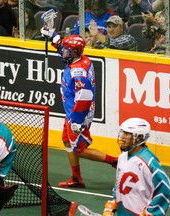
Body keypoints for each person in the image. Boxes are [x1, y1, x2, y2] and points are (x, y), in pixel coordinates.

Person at [40, 29, 118, 188]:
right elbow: (63, 47)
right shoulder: (79, 58)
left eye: (67, 49)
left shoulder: (79, 72)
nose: (63, 51)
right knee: (67, 142)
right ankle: (76, 178)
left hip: (78, 114)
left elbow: (85, 97)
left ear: (74, 52)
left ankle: (116, 162)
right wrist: (53, 35)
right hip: (73, 112)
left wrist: (76, 120)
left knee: (80, 149)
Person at [103, 118, 170, 216]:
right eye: (123, 133)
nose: (123, 137)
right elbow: (120, 181)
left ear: (140, 137)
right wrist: (114, 203)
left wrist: (151, 213)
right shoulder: (122, 157)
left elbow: (166, 189)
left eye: (128, 134)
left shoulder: (149, 161)